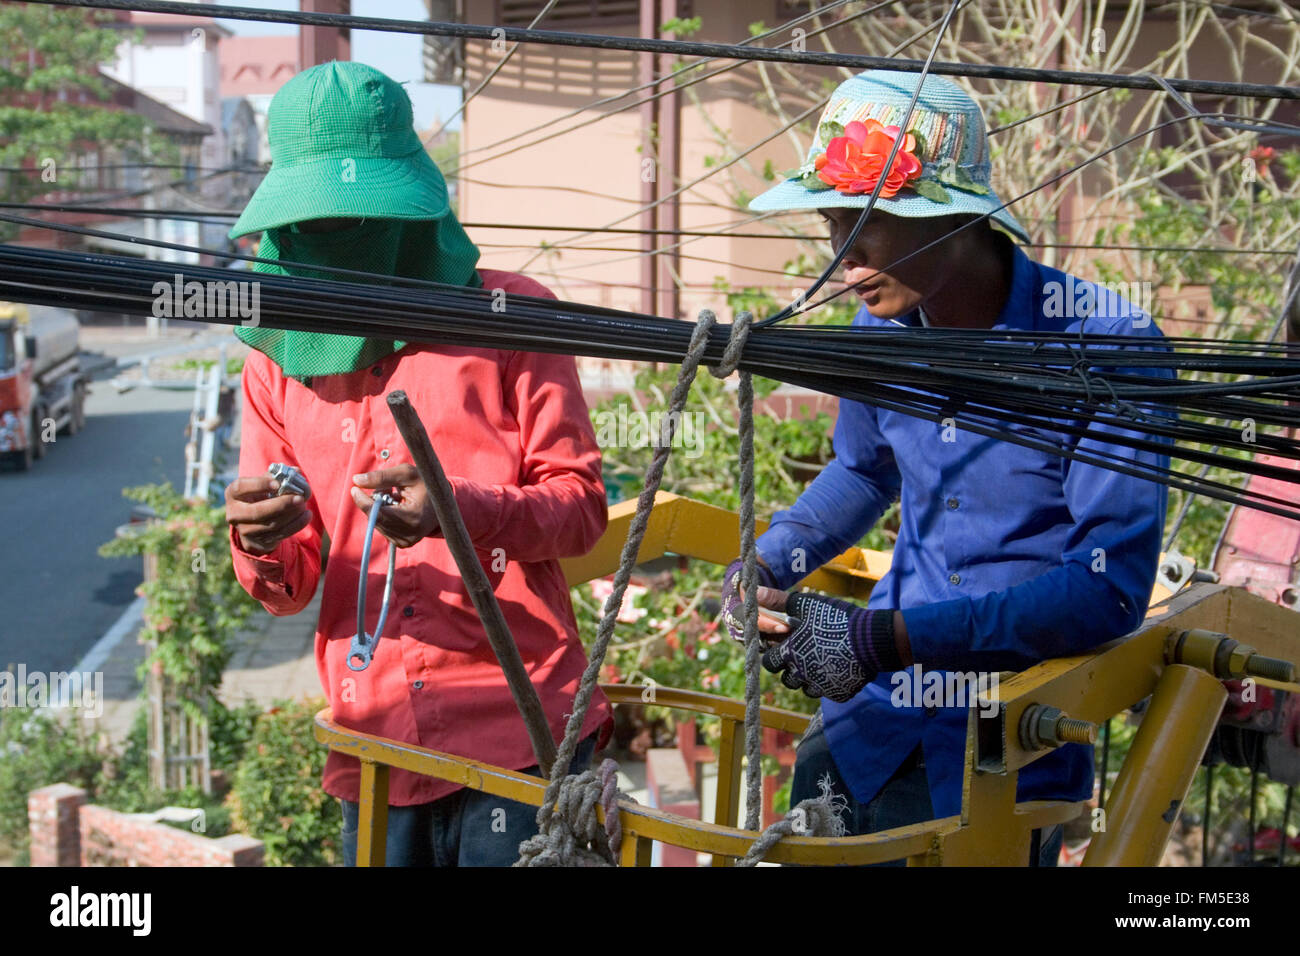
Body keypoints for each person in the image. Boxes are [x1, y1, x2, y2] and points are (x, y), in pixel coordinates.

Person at [719, 70, 1173, 865]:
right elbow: (862, 474)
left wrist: (887, 638)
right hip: (868, 726)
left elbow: (1107, 588)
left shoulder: (1107, 345)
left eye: (871, 219)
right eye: (833, 222)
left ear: (959, 220)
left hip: (1007, 740)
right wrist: (767, 559)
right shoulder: (877, 335)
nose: (843, 254)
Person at [223, 61, 612, 867]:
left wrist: (458, 506)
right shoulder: (274, 363)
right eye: (315, 220)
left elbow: (579, 509)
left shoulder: (513, 316)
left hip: (522, 734)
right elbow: (289, 589)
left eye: (355, 216)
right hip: (375, 743)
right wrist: (258, 540)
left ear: (406, 206)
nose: (337, 238)